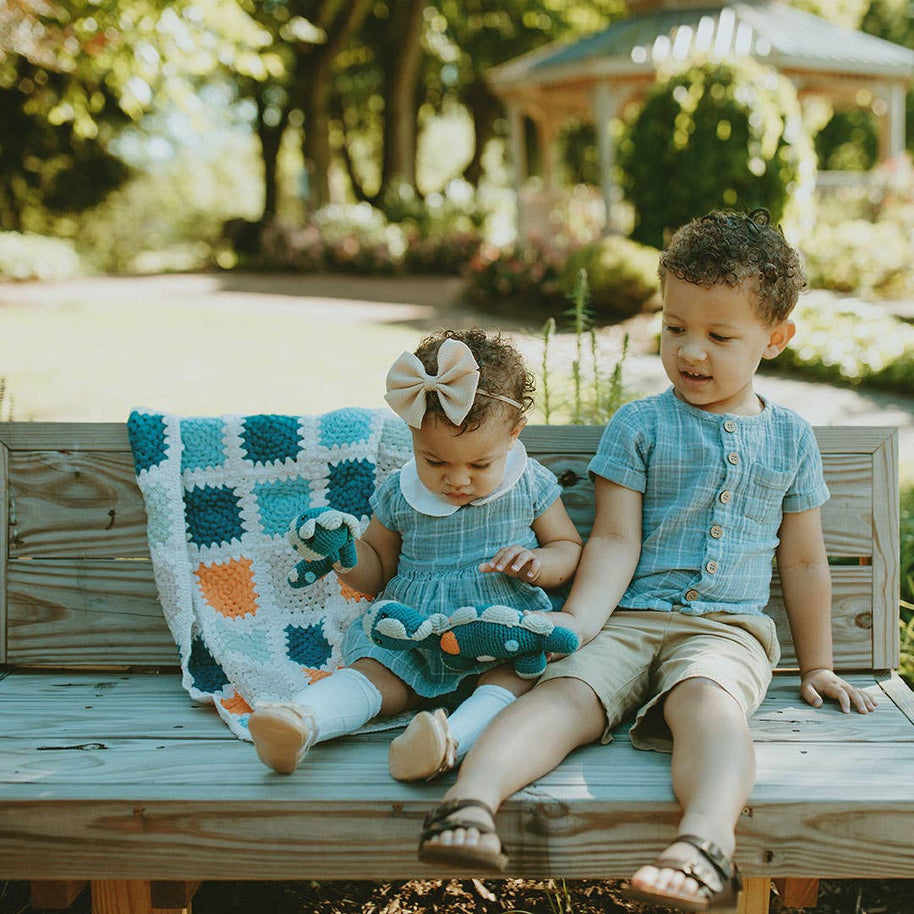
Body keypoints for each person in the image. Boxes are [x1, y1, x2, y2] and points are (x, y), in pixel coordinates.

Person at [416, 209, 878, 905]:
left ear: (775, 338)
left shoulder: (792, 439)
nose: (691, 351)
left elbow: (807, 562)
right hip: (628, 616)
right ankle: (470, 805)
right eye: (675, 328)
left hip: (727, 632)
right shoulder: (641, 424)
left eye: (719, 336)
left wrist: (817, 665)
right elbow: (613, 538)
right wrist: (579, 624)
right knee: (566, 692)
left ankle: (704, 847)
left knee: (709, 704)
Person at [248, 328, 583, 780]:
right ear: (412, 437)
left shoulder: (529, 483)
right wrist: (346, 552)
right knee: (378, 672)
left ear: (513, 435)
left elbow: (569, 546)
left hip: (500, 624)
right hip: (414, 628)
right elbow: (377, 572)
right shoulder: (398, 495)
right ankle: (302, 721)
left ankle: (447, 742)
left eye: (479, 465)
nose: (457, 480)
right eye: (435, 461)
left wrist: (541, 565)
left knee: (515, 676)